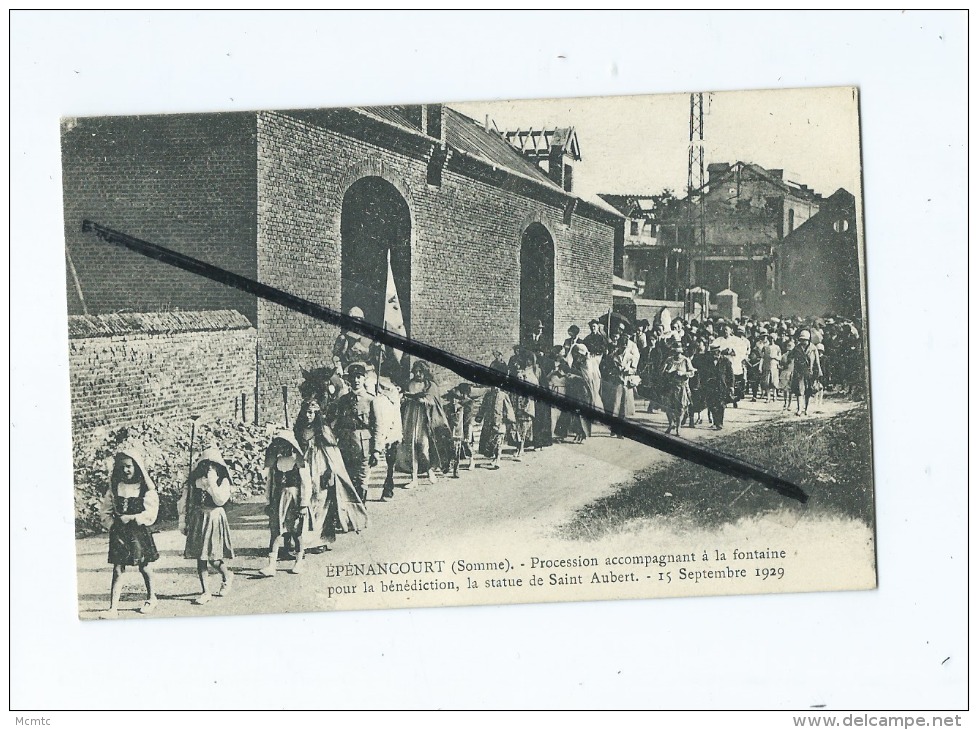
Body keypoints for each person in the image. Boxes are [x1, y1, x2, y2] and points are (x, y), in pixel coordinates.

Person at [294, 369, 367, 547]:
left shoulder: (334, 404)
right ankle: (302, 537)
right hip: (306, 461)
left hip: (321, 461)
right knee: (304, 497)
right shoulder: (306, 415)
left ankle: (320, 538)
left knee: (320, 497)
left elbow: (330, 442)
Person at [99, 445, 159, 617]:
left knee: (144, 566)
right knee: (118, 568)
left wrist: (132, 518)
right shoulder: (116, 487)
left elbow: (151, 513)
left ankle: (151, 597)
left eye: (129, 466)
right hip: (120, 532)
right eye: (122, 466)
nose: (125, 470)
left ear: (136, 467)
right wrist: (113, 525)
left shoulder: (144, 488)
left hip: (138, 532)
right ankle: (113, 608)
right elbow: (106, 510)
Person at [179, 447, 235, 605]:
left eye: (213, 465)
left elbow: (220, 500)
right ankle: (205, 591)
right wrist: (183, 520)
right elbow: (185, 501)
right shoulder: (194, 482)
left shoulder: (222, 482)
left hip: (215, 518)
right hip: (199, 518)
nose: (209, 468)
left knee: (213, 557)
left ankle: (226, 575)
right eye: (205, 465)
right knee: (200, 556)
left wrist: (211, 484)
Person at [326, 362, 382, 503]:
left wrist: (376, 450)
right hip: (346, 445)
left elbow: (377, 426)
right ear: (349, 380)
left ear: (364, 379)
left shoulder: (371, 400)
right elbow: (337, 424)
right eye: (353, 377)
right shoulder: (343, 400)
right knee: (348, 480)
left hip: (364, 448)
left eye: (359, 377)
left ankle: (361, 512)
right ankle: (351, 515)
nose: (356, 380)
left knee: (362, 481)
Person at [259, 432, 312, 577]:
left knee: (296, 531)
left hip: (293, 499)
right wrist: (269, 502)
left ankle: (299, 560)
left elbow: (306, 484)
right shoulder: (275, 463)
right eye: (280, 446)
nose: (283, 449)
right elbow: (270, 483)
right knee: (275, 531)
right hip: (278, 499)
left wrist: (303, 504)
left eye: (286, 446)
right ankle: (271, 565)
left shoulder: (299, 462)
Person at [396, 361, 453, 488]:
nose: (417, 374)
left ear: (425, 373)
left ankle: (429, 470)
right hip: (410, 417)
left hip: (426, 419)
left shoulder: (430, 385)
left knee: (423, 446)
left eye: (420, 372)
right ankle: (414, 478)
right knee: (411, 447)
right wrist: (404, 397)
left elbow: (435, 402)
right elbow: (404, 397)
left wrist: (425, 401)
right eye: (415, 371)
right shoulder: (409, 384)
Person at [476, 361, 517, 469]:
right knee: (491, 441)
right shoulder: (488, 395)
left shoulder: (503, 396)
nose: (495, 388)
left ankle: (498, 458)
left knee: (499, 441)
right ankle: (494, 457)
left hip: (500, 422)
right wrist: (479, 417)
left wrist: (510, 420)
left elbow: (509, 409)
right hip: (489, 422)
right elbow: (483, 407)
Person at [600, 332, 639, 438]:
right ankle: (613, 428)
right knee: (614, 406)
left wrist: (628, 370)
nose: (624, 347)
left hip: (626, 383)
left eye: (625, 346)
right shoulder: (613, 356)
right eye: (622, 345)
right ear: (619, 345)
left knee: (624, 407)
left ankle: (620, 431)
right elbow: (607, 368)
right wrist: (614, 371)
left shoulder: (631, 357)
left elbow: (634, 369)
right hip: (616, 383)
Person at [554, 344, 594, 443]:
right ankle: (564, 433)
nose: (575, 355)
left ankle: (581, 434)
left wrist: (574, 376)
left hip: (583, 390)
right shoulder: (577, 361)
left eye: (577, 353)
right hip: (574, 389)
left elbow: (587, 379)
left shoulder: (587, 363)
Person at [658, 339, 696, 435]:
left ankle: (678, 427)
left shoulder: (685, 360)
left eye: (678, 352)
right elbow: (661, 372)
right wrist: (666, 369)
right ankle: (671, 423)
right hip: (670, 386)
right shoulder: (669, 359)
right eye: (675, 352)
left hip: (681, 387)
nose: (677, 354)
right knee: (667, 407)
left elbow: (692, 372)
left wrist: (684, 373)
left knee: (680, 408)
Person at [444, 382, 476, 477]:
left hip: (463, 426)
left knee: (466, 445)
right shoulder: (449, 406)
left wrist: (465, 432)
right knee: (451, 448)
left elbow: (467, 419)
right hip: (453, 429)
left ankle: (470, 460)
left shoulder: (467, 403)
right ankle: (450, 465)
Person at [787, 330, 823, 416]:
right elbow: (789, 357)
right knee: (799, 391)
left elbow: (817, 362)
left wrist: (819, 371)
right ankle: (799, 409)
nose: (803, 342)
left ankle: (806, 409)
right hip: (799, 372)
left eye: (805, 340)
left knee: (808, 391)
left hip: (809, 372)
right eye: (801, 340)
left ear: (808, 340)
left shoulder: (813, 348)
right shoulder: (797, 348)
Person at [701, 344, 734, 430]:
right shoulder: (707, 361)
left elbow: (730, 375)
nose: (714, 354)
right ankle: (715, 422)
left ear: (719, 352)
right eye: (712, 353)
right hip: (710, 386)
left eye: (716, 352)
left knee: (721, 405)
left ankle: (720, 423)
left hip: (722, 386)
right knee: (711, 405)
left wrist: (731, 386)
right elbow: (703, 374)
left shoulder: (725, 361)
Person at [759, 333, 783, 403]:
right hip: (767, 366)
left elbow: (780, 357)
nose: (771, 340)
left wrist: (775, 357)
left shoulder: (777, 347)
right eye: (770, 338)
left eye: (773, 338)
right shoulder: (765, 347)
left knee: (774, 382)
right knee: (767, 382)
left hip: (774, 366)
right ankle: (768, 397)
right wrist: (760, 366)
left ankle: (774, 396)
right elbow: (762, 357)